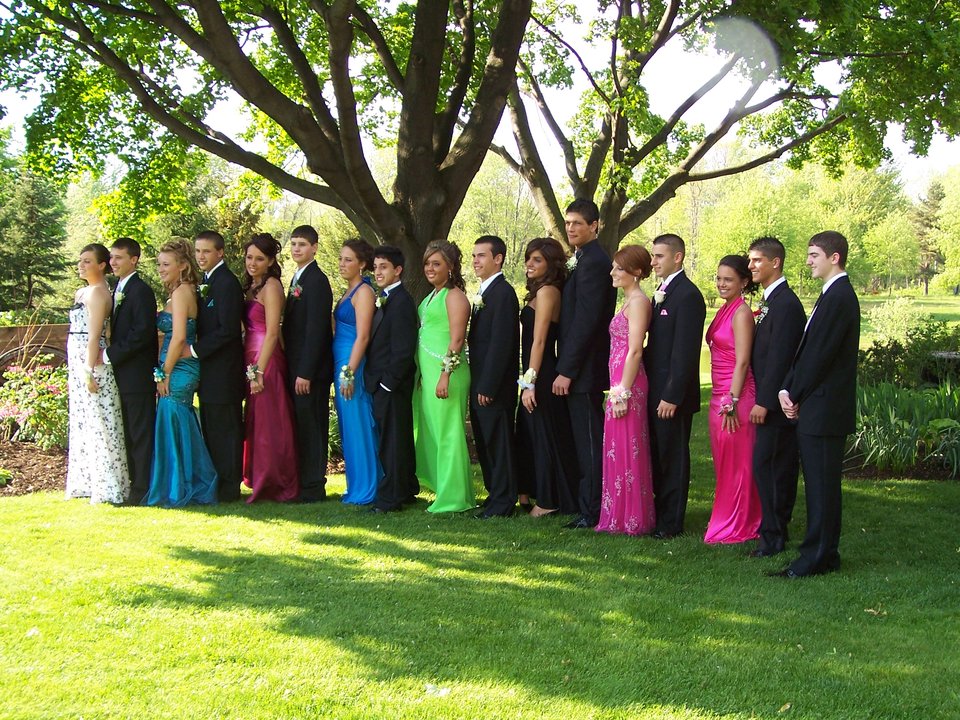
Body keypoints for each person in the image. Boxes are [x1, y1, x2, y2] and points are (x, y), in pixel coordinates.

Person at [776, 231, 860, 578]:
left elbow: (819, 356)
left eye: (814, 255)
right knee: (818, 485)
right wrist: (787, 388)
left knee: (822, 487)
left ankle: (817, 557)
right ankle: (824, 553)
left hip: (825, 409)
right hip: (817, 406)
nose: (808, 261)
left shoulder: (839, 296)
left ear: (834, 257)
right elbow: (807, 351)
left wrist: (794, 394)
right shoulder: (830, 294)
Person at [554, 199, 617, 529]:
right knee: (581, 440)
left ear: (594, 226)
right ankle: (583, 504)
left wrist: (567, 370)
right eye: (568, 223)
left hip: (585, 369)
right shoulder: (581, 258)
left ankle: (592, 510)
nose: (571, 228)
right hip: (578, 367)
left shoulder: (594, 261)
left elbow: (586, 320)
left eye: (578, 223)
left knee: (590, 442)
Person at [144, 239, 218, 507]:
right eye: (159, 264)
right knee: (173, 418)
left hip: (178, 367)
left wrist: (163, 373)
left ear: (183, 266)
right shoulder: (183, 291)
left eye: (166, 264)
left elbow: (177, 338)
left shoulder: (181, 293)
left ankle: (180, 486)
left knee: (173, 417)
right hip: (174, 365)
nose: (161, 269)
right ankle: (178, 482)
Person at [644, 233, 706, 539]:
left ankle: (671, 522)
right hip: (654, 388)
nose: (653, 262)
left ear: (677, 257)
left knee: (673, 457)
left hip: (672, 395)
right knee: (658, 455)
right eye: (653, 256)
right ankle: (658, 513)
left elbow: (685, 353)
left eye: (659, 256)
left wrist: (671, 395)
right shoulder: (662, 291)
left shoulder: (688, 295)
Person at [747, 237, 806, 557]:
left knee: (772, 468)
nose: (751, 266)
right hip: (769, 401)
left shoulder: (786, 305)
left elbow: (781, 359)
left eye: (757, 260)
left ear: (775, 262)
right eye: (750, 260)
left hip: (777, 406)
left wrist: (764, 402)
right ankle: (772, 531)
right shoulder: (771, 301)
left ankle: (774, 536)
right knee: (768, 467)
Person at [516, 237, 579, 517]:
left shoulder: (548, 292)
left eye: (537, 259)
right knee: (528, 432)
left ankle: (549, 499)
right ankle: (528, 490)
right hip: (534, 370)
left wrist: (529, 382)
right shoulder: (540, 291)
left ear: (551, 264)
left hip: (541, 372)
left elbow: (540, 341)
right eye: (528, 258)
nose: (529, 264)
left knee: (544, 435)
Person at [596, 245, 656, 536]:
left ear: (636, 272)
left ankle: (632, 517)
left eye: (619, 268)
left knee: (628, 445)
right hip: (618, 380)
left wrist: (622, 392)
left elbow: (635, 350)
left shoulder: (639, 302)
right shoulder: (628, 301)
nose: (612, 272)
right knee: (615, 447)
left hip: (628, 383)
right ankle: (616, 515)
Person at [703, 255, 762, 544]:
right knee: (724, 463)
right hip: (718, 396)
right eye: (719, 278)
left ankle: (742, 522)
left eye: (728, 279)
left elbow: (742, 361)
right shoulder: (724, 309)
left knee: (739, 463)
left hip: (736, 397)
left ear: (743, 282)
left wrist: (732, 401)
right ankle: (727, 515)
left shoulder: (741, 313)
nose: (721, 284)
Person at [65, 243, 130, 504]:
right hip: (77, 356)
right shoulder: (83, 291)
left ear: (102, 265)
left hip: (91, 360)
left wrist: (89, 370)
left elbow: (95, 337)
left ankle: (109, 485)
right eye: (80, 260)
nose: (81, 265)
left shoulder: (98, 293)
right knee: (83, 420)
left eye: (87, 261)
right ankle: (86, 481)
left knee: (100, 421)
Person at [415, 240, 473, 513]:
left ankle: (454, 498)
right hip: (429, 374)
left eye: (436, 263)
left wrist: (445, 375)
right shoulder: (432, 296)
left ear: (450, 267)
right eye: (427, 263)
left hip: (448, 374)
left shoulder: (454, 296)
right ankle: (445, 489)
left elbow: (457, 339)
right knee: (436, 432)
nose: (430, 268)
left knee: (449, 433)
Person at [241, 233, 299, 503]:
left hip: (266, 359)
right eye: (249, 257)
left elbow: (273, 332)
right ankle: (259, 477)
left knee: (270, 422)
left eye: (259, 259)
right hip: (251, 357)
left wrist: (259, 371)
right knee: (257, 420)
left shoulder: (272, 286)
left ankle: (274, 481)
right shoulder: (252, 286)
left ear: (271, 261)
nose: (252, 263)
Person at [190, 230, 245, 502]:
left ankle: (230, 487)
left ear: (220, 252)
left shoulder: (226, 283)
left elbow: (228, 330)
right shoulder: (207, 280)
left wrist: (194, 350)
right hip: (211, 371)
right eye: (198, 251)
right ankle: (217, 484)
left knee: (227, 429)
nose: (201, 256)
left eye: (206, 251)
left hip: (225, 371)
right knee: (212, 427)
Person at [468, 235, 520, 519]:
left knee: (498, 444)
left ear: (498, 259)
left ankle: (503, 502)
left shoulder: (503, 294)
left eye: (481, 255)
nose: (475, 260)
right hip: (480, 382)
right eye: (474, 255)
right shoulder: (485, 292)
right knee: (485, 442)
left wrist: (488, 385)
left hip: (494, 386)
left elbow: (501, 344)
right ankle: (494, 495)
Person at [103, 237, 158, 504]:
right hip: (123, 374)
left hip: (137, 374)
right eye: (111, 257)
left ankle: (142, 488)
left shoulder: (141, 291)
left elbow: (142, 333)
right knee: (127, 430)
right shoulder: (118, 288)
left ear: (133, 260)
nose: (112, 262)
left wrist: (110, 354)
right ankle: (131, 483)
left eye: (119, 257)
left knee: (140, 432)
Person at [282, 224, 334, 503]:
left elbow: (316, 330)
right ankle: (303, 482)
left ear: (314, 247)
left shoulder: (317, 281)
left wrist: (305, 372)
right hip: (296, 367)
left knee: (312, 426)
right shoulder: (297, 277)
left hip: (310, 372)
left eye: (302, 244)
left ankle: (314, 486)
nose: (296, 249)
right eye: (293, 244)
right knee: (302, 425)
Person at [365, 245, 419, 512]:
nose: (378, 272)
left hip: (391, 385)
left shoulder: (401, 302)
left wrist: (387, 384)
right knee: (396, 438)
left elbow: (403, 350)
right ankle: (406, 488)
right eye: (375, 267)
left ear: (398, 270)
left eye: (383, 267)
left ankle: (391, 497)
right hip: (384, 383)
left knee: (393, 442)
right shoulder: (387, 298)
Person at [333, 238, 381, 505]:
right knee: (348, 424)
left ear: (362, 264)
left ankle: (367, 486)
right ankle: (356, 483)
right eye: (341, 259)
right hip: (340, 360)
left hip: (351, 363)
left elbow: (363, 336)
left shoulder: (363, 292)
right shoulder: (348, 290)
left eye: (348, 259)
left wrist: (349, 372)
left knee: (358, 422)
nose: (342, 264)